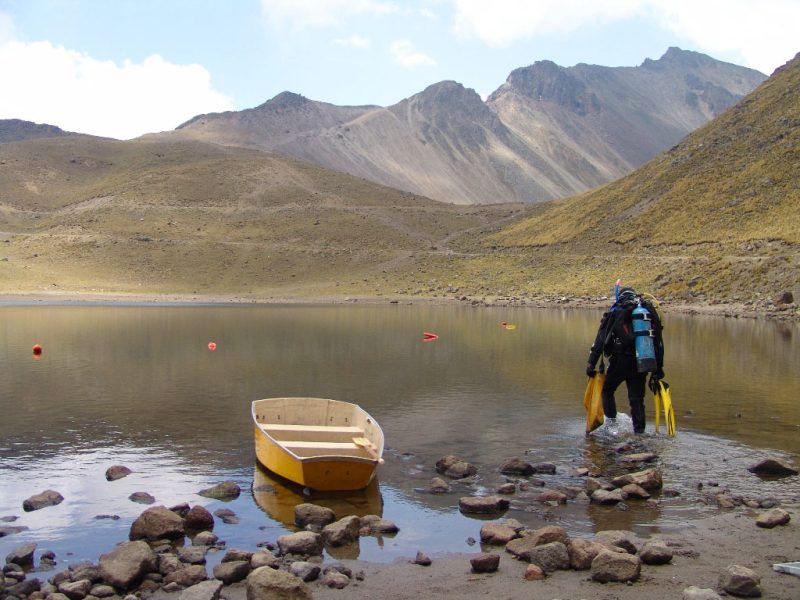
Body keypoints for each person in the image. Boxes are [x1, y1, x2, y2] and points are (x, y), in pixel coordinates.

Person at [585, 287, 664, 434]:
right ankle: (639, 433)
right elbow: (658, 343)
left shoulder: (617, 311)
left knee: (607, 389)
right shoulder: (646, 312)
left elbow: (601, 340)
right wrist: (658, 370)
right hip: (641, 361)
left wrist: (591, 364)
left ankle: (611, 424)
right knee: (637, 399)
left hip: (620, 360)